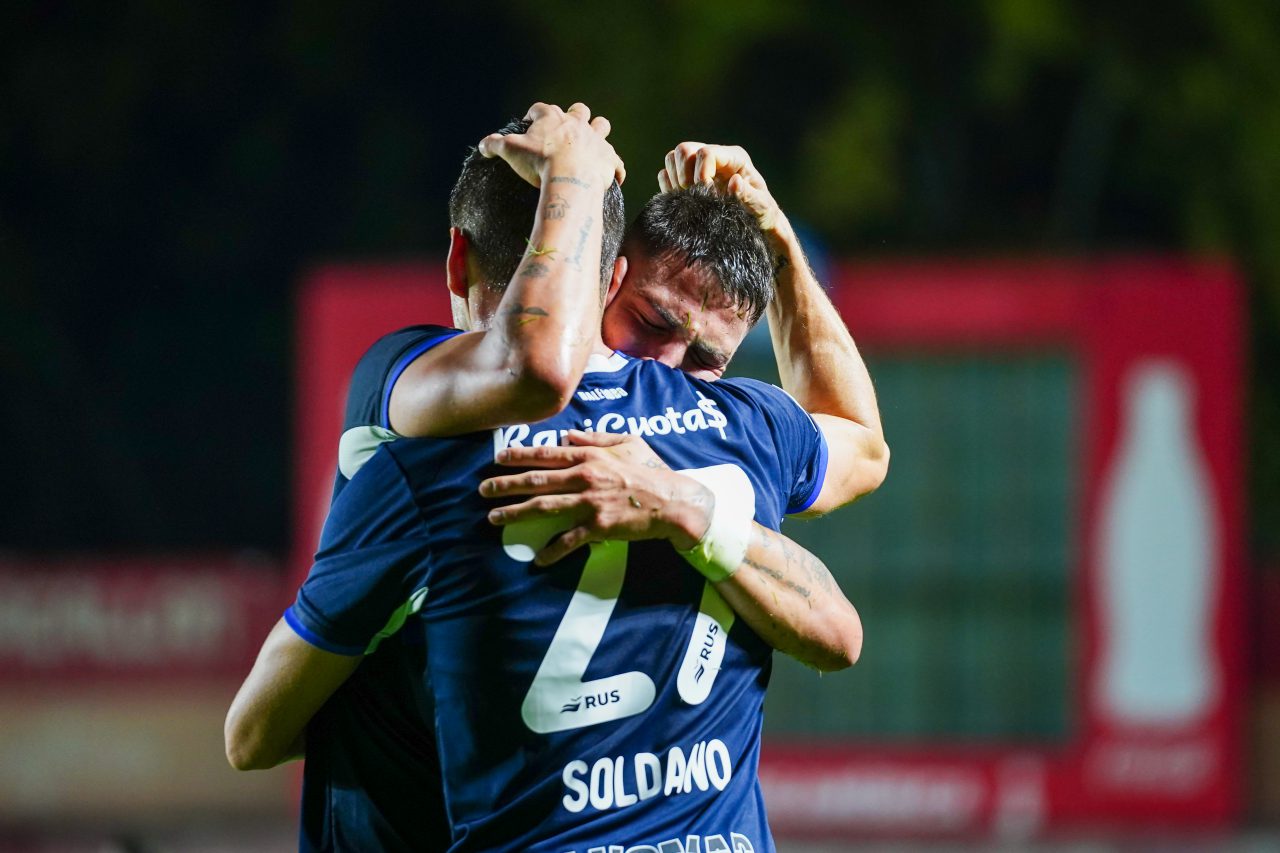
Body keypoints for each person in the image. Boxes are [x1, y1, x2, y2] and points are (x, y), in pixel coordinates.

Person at [225, 106, 876, 851]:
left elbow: (253, 737)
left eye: (703, 358)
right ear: (609, 275)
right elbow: (859, 446)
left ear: (457, 260)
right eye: (653, 324)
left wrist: (581, 173)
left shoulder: (420, 465)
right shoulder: (741, 424)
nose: (669, 366)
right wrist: (776, 238)